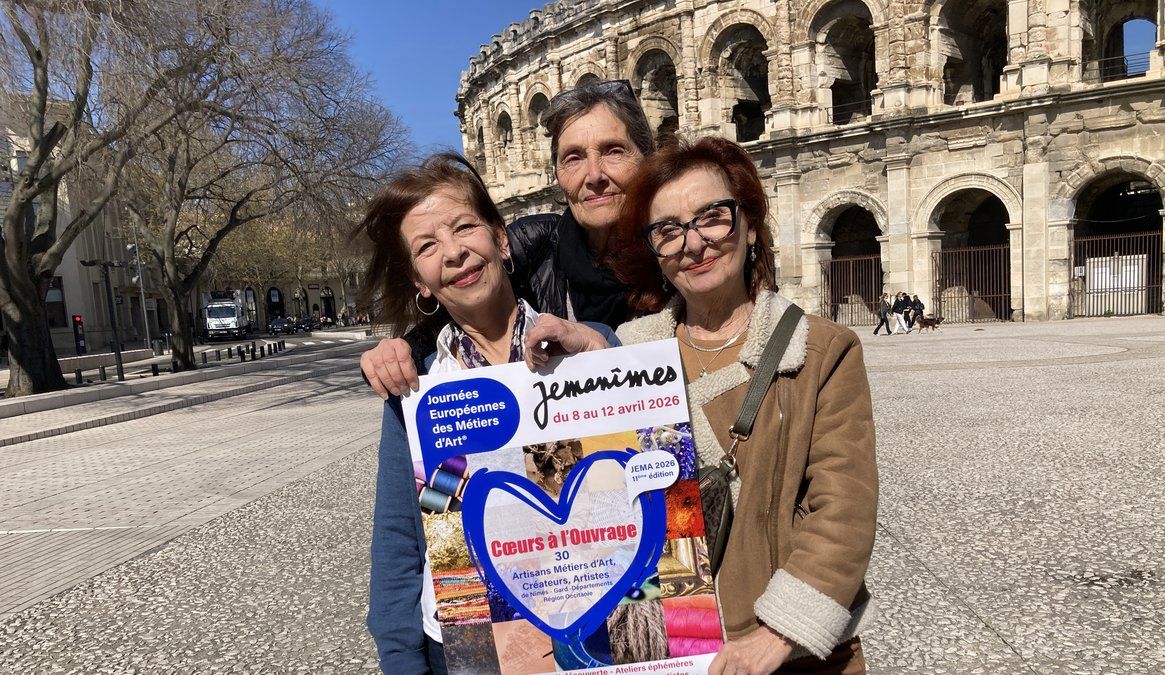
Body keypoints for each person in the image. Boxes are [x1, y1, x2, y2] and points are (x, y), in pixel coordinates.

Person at [607, 135, 877, 674]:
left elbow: (843, 507)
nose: (693, 242)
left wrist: (779, 635)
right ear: (655, 253)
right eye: (668, 230)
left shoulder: (822, 350)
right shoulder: (627, 358)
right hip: (669, 650)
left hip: (783, 655)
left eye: (713, 216)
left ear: (750, 226)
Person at [353, 153, 612, 675]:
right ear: (420, 281)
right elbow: (401, 536)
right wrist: (400, 658)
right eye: (427, 246)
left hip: (589, 624)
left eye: (464, 227)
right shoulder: (419, 388)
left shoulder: (588, 352)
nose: (453, 253)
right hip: (465, 644)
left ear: (500, 238)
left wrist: (600, 354)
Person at [360, 79, 656, 398]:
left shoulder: (682, 248)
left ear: (648, 158)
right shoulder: (536, 243)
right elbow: (462, 297)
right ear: (556, 174)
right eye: (573, 158)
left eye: (613, 150)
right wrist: (397, 355)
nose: (594, 175)